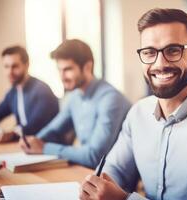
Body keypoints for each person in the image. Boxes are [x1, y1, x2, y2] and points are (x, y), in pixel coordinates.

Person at [80, 8, 187, 200]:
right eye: (149, 52)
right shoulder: (138, 113)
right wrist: (94, 187)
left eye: (172, 50)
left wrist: (124, 199)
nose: (160, 64)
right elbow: (114, 171)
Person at [19, 39, 131, 169]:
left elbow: (94, 156)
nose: (62, 76)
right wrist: (31, 142)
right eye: (59, 70)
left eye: (67, 69)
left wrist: (44, 147)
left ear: (87, 67)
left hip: (113, 180)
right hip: (87, 171)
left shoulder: (110, 99)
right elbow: (54, 129)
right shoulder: (74, 96)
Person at [0, 46, 59, 143]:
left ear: (27, 65)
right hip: (26, 145)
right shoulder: (13, 92)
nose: (10, 72)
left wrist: (12, 133)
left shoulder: (42, 90)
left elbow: (35, 126)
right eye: (6, 66)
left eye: (15, 66)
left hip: (46, 146)